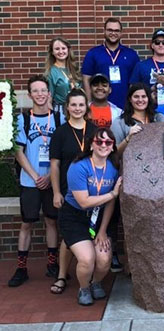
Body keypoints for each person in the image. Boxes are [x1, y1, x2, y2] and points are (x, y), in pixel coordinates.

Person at [8, 76, 63, 287]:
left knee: (51, 220)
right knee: (27, 223)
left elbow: (62, 152)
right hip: (30, 180)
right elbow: (18, 152)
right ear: (30, 95)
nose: (40, 94)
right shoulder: (23, 119)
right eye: (35, 91)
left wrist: (50, 176)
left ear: (49, 93)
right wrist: (35, 176)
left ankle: (52, 264)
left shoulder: (59, 119)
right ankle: (21, 268)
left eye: (43, 90)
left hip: (52, 180)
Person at [59, 127, 121, 305]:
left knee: (103, 260)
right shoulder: (79, 166)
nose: (103, 145)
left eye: (108, 142)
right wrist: (112, 194)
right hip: (75, 217)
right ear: (91, 145)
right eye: (99, 141)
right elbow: (84, 201)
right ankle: (84, 288)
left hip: (100, 218)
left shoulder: (114, 167)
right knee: (87, 260)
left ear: (112, 146)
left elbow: (110, 204)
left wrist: (102, 231)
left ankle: (96, 283)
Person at [50, 88, 97, 294]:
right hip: (67, 192)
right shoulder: (60, 132)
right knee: (68, 235)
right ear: (67, 107)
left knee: (83, 232)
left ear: (86, 107)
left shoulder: (94, 130)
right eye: (73, 105)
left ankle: (90, 272)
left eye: (81, 104)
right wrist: (56, 192)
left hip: (93, 192)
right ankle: (62, 274)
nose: (77, 108)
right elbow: (55, 165)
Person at [87, 73, 123, 272]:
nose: (100, 88)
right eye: (96, 85)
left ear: (109, 89)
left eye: (104, 85)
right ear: (90, 89)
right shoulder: (85, 111)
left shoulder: (117, 112)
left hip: (111, 164)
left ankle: (113, 251)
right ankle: (88, 251)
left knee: (112, 210)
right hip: (90, 165)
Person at [82, 17, 139, 110]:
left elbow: (135, 82)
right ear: (104, 31)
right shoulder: (93, 53)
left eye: (117, 30)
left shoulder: (131, 54)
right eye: (110, 30)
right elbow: (86, 79)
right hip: (99, 106)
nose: (113, 33)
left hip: (125, 106)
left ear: (121, 33)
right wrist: (89, 104)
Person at [111, 83, 164, 154]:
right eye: (136, 97)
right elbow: (114, 154)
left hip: (157, 162)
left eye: (143, 96)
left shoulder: (159, 117)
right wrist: (128, 139)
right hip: (131, 163)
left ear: (148, 99)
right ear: (130, 99)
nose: (140, 100)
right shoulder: (119, 122)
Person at [44, 37, 80, 113]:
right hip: (61, 111)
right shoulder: (51, 72)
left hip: (77, 109)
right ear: (52, 52)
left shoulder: (74, 68)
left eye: (63, 48)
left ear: (68, 50)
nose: (61, 51)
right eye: (57, 49)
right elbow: (48, 100)